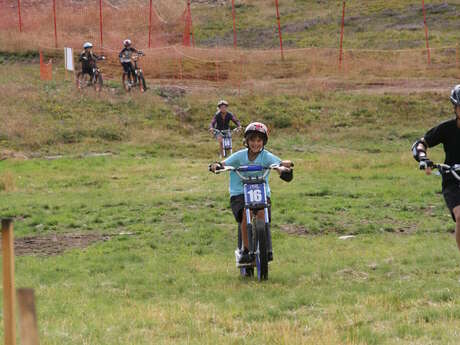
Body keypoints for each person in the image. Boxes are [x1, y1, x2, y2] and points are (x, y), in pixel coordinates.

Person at [210, 122, 294, 264]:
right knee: (245, 213)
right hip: (239, 193)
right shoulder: (239, 156)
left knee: (262, 212)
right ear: (247, 141)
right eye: (252, 140)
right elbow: (223, 163)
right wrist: (216, 165)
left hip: (261, 192)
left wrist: (283, 168)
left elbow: (279, 164)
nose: (256, 143)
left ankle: (266, 248)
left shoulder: (266, 156)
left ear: (264, 141)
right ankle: (246, 250)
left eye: (259, 140)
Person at [412, 84, 460, 251]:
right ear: (455, 108)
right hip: (452, 180)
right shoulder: (446, 129)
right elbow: (420, 144)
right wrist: (423, 159)